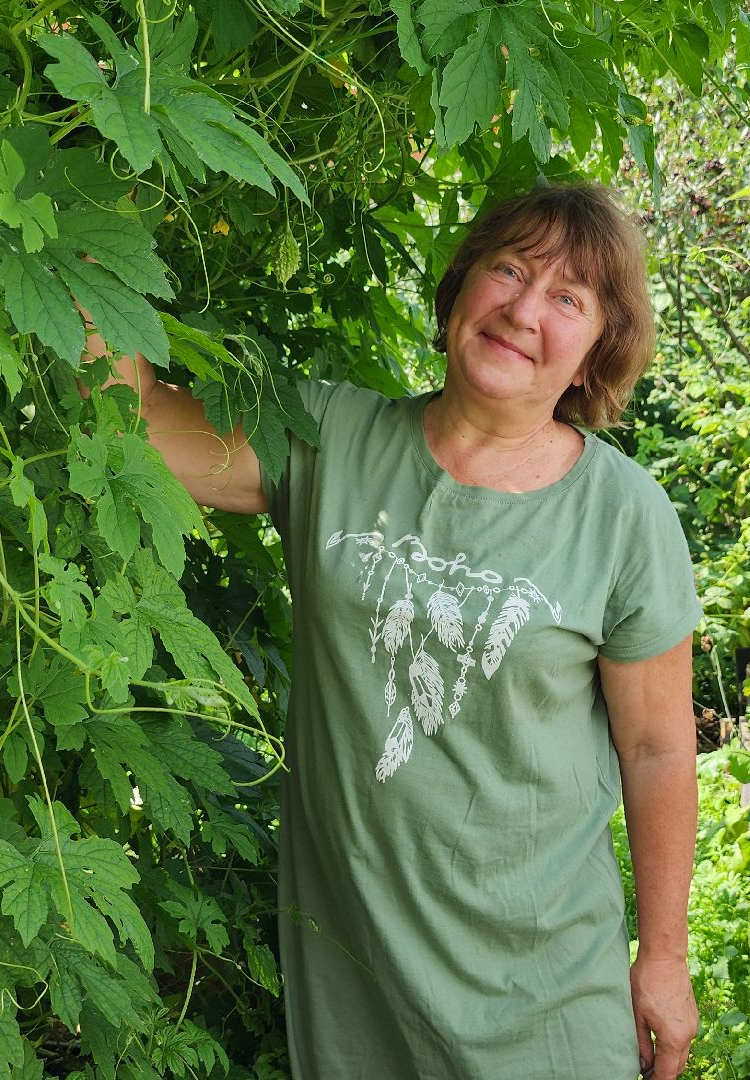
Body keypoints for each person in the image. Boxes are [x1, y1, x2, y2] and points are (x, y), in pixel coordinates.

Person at [85, 182, 701, 1079]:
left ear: (596, 351)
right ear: (460, 289)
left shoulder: (623, 516)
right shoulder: (330, 436)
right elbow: (133, 428)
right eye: (509, 270)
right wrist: (86, 225)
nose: (524, 310)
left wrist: (665, 957)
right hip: (359, 987)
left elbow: (656, 747)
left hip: (547, 993)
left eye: (567, 298)